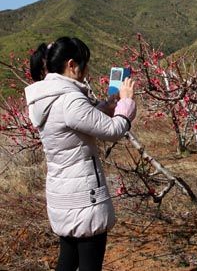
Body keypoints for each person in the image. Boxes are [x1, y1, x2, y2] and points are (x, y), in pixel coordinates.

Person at [25, 37, 136, 271]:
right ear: (72, 64)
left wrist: (104, 107)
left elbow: (76, 121)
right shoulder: (70, 99)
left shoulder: (46, 97)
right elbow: (114, 130)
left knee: (68, 259)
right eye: (84, 65)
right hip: (85, 198)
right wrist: (126, 104)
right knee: (89, 264)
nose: (86, 71)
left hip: (62, 194)